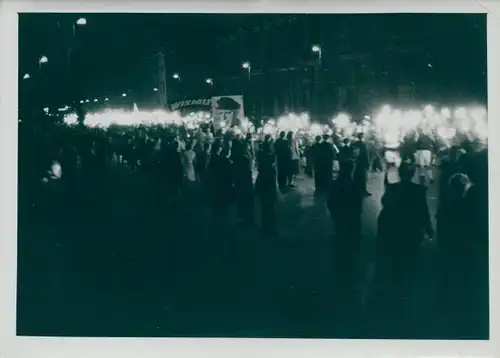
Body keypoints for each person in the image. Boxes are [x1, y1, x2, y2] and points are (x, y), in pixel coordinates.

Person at [375, 161, 433, 310]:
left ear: (400, 174)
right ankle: (407, 293)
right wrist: (429, 229)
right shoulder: (419, 190)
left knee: (394, 261)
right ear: (413, 174)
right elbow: (423, 211)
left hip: (393, 230)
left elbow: (384, 205)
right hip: (412, 231)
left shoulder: (392, 188)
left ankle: (394, 291)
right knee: (410, 260)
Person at [327, 160, 364, 304]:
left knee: (339, 242)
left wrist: (334, 214)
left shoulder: (335, 184)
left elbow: (330, 202)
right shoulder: (355, 185)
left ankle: (339, 277)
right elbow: (358, 206)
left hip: (339, 218)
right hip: (351, 220)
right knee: (350, 248)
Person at [255, 136, 278, 236]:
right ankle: (269, 229)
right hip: (268, 184)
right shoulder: (269, 159)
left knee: (265, 207)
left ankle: (265, 227)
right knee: (269, 207)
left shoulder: (261, 156)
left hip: (262, 182)